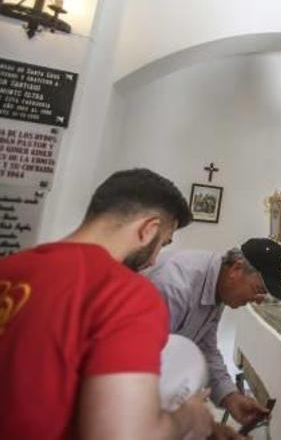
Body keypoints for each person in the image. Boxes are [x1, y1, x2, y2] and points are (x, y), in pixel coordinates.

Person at [0, 168, 214, 439]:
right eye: (162, 243)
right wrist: (190, 416)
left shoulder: (9, 267)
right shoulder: (123, 293)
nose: (153, 261)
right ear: (149, 229)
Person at [145, 237, 281, 427]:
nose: (258, 300)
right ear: (237, 269)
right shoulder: (175, 285)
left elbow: (205, 348)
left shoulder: (218, 287)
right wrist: (202, 423)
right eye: (258, 289)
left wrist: (231, 397)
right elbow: (143, 366)